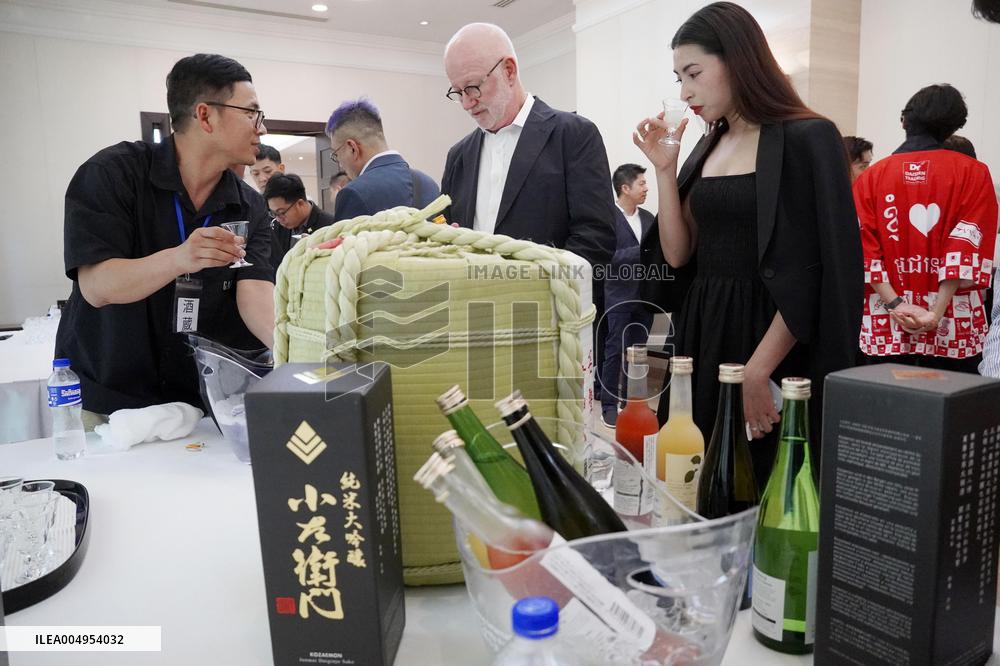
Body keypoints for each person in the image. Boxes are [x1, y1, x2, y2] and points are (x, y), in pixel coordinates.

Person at [633, 2, 862, 480]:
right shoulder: (710, 143)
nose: (684, 91)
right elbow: (678, 253)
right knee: (696, 473)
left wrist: (758, 370)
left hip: (769, 335)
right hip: (703, 328)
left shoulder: (807, 136)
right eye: (678, 78)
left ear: (737, 58)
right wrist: (665, 171)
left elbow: (814, 267)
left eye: (693, 73)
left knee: (757, 473)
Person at [55, 53, 275, 422]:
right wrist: (180, 258)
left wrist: (297, 351)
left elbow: (253, 291)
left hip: (197, 403)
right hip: (112, 396)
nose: (261, 128)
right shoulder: (112, 175)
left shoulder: (248, 205)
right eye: (252, 113)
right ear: (205, 115)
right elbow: (97, 286)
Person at [440, 23, 616, 268]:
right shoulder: (459, 156)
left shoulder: (574, 135)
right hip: (474, 302)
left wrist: (528, 286)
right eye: (458, 92)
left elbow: (596, 239)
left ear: (509, 71)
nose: (467, 104)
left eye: (473, 87)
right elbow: (444, 227)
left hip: (552, 302)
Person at [854, 84, 997, 373]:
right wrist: (935, 312)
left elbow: (863, 248)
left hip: (888, 320)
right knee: (952, 411)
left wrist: (895, 303)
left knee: (886, 411)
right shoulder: (973, 173)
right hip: (952, 322)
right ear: (954, 124)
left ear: (906, 121)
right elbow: (965, 244)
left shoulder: (872, 177)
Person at [600, 164, 656, 427]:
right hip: (619, 297)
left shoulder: (648, 218)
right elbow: (607, 257)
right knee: (614, 350)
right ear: (625, 188)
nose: (646, 188)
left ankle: (633, 403)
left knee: (639, 353)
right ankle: (609, 405)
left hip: (644, 297)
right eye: (642, 184)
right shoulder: (606, 219)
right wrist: (642, 252)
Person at [326, 99, 439, 222]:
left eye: (336, 154)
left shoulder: (353, 193)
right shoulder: (428, 182)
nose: (340, 163)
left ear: (352, 148)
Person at [264, 173, 335, 270]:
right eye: (273, 213)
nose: (278, 219)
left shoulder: (329, 226)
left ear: (300, 204)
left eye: (281, 212)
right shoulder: (277, 226)